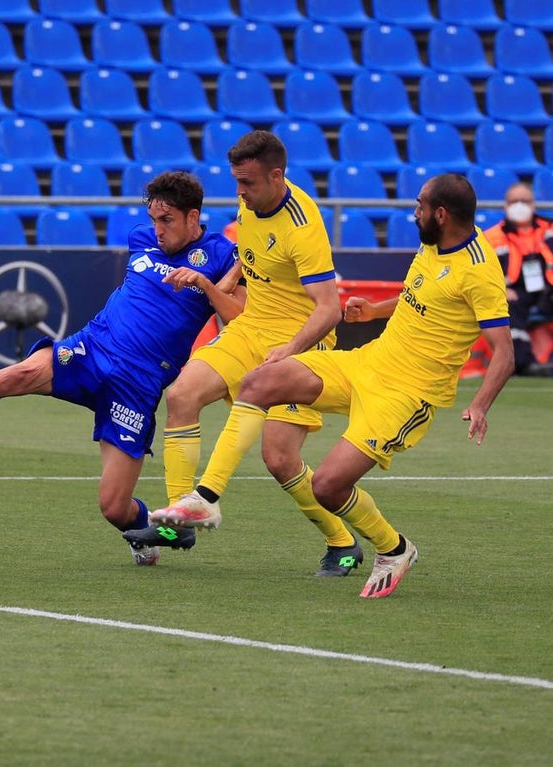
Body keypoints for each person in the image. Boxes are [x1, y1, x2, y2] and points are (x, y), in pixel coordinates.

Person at [0, 171, 244, 566]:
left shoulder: (221, 256)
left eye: (167, 220)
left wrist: (208, 287)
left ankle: (167, 531)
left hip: (137, 385)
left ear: (194, 217)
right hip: (91, 349)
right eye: (155, 219)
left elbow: (241, 315)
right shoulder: (141, 239)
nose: (156, 229)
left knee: (113, 506)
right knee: (17, 374)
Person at [159, 173, 513, 598]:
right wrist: (375, 312)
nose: (413, 211)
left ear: (440, 214)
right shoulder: (435, 242)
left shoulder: (478, 270)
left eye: (419, 205)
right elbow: (421, 295)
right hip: (368, 362)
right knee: (260, 381)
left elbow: (504, 353)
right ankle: (206, 497)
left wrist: (480, 404)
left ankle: (393, 548)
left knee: (328, 486)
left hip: (406, 394)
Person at [142, 130, 361, 578]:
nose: (239, 192)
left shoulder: (302, 226)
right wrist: (223, 284)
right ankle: (181, 520)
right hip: (251, 328)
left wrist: (291, 350)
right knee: (181, 395)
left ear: (276, 176)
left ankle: (342, 542)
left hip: (302, 340)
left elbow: (329, 309)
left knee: (279, 458)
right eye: (236, 181)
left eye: (248, 182)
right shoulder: (250, 201)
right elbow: (250, 249)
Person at [482, 182, 553, 375]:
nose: (519, 205)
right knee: (507, 305)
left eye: (524, 201)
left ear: (533, 205)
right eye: (514, 201)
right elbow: (482, 273)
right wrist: (501, 290)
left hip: (548, 288)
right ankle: (522, 364)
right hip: (515, 290)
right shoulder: (491, 236)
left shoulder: (549, 229)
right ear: (505, 206)